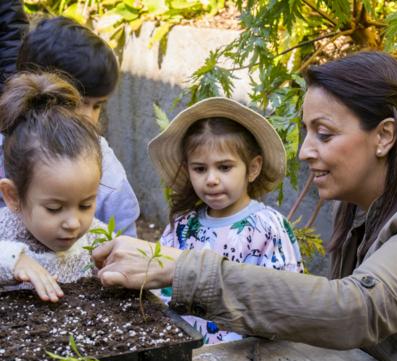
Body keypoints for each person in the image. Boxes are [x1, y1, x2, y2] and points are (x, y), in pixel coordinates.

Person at [94, 51, 397, 361]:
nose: (304, 151)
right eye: (306, 133)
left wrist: (183, 269)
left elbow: (359, 310)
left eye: (323, 133)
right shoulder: (358, 208)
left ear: (384, 135)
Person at [148, 97, 303, 343]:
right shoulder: (183, 226)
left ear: (253, 168)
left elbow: (285, 300)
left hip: (246, 359)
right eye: (200, 169)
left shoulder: (269, 228)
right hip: (184, 351)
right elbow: (160, 287)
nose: (211, 179)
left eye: (224, 167)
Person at [0, 14, 140, 238]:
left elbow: (124, 240)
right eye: (78, 104)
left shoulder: (105, 168)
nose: (89, 119)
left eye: (97, 106)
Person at [0, 72, 108, 301]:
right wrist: (12, 260)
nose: (73, 223)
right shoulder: (5, 231)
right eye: (54, 209)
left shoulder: (97, 237)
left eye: (86, 205)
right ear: (13, 196)